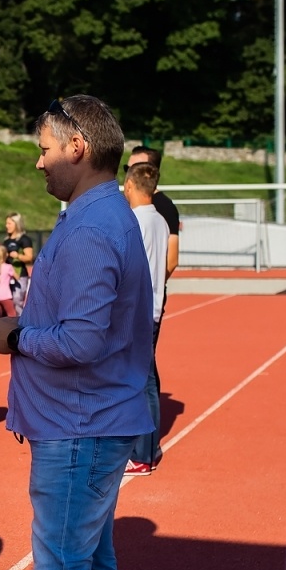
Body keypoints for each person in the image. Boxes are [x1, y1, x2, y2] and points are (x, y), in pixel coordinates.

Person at [0, 95, 153, 570]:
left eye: (45, 148)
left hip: (79, 424)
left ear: (77, 147)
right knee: (92, 563)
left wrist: (13, 335)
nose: (39, 161)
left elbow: (80, 341)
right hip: (92, 420)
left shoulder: (89, 227)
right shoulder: (104, 215)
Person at [122, 162, 168, 475]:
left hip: (136, 311)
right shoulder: (160, 221)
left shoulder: (135, 221)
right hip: (151, 308)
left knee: (139, 383)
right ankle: (147, 448)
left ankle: (142, 454)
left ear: (129, 186)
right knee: (147, 381)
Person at [128, 147, 179, 281]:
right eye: (127, 168)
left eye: (137, 168)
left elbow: (172, 260)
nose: (129, 173)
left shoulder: (165, 207)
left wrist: (154, 286)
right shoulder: (128, 203)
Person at [2, 212, 35, 312]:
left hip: (20, 276)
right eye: (6, 223)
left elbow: (29, 257)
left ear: (16, 224)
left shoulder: (24, 239)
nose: (6, 226)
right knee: (7, 302)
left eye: (9, 223)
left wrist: (18, 256)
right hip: (6, 276)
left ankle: (19, 321)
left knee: (17, 302)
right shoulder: (6, 241)